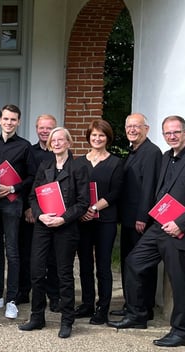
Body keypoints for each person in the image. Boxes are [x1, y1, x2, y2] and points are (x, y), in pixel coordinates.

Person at [109, 116, 185, 348]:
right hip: (159, 225)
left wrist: (181, 223)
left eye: (176, 132)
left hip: (181, 230)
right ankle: (138, 315)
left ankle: (181, 331)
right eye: (167, 133)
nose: (172, 136)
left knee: (178, 281)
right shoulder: (166, 157)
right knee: (134, 262)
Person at [18, 127, 90, 339]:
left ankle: (67, 320)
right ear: (49, 144)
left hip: (65, 227)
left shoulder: (79, 168)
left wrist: (63, 218)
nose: (57, 143)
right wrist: (40, 216)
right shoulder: (44, 165)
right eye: (53, 140)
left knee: (64, 274)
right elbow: (33, 197)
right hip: (42, 226)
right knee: (37, 271)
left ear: (68, 143)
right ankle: (37, 317)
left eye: (61, 140)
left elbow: (83, 202)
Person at [110, 113, 163, 319]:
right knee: (127, 262)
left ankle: (143, 307)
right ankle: (130, 303)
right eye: (129, 126)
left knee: (140, 265)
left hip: (140, 221)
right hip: (128, 219)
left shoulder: (151, 152)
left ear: (146, 129)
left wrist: (143, 217)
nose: (132, 130)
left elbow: (149, 187)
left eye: (137, 126)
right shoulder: (133, 151)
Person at [0, 104, 32, 320]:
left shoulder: (25, 146)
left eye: (13, 119)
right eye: (6, 119)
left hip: (13, 203)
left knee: (12, 251)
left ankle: (11, 299)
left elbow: (31, 177)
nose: (9, 123)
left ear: (18, 122)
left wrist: (12, 188)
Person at [75, 119, 125, 324]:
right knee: (85, 264)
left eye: (101, 135)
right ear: (89, 137)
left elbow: (116, 192)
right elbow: (73, 190)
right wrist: (82, 211)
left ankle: (102, 308)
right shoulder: (78, 162)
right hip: (82, 220)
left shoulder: (116, 163)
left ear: (108, 138)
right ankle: (87, 304)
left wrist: (94, 207)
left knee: (103, 265)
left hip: (105, 220)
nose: (97, 138)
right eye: (94, 135)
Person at [17, 114, 59, 310]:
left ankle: (53, 295)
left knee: (52, 256)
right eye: (41, 128)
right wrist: (28, 207)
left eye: (48, 128)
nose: (45, 131)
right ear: (36, 129)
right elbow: (28, 182)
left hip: (55, 214)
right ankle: (24, 292)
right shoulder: (29, 151)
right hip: (31, 212)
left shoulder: (61, 152)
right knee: (27, 253)